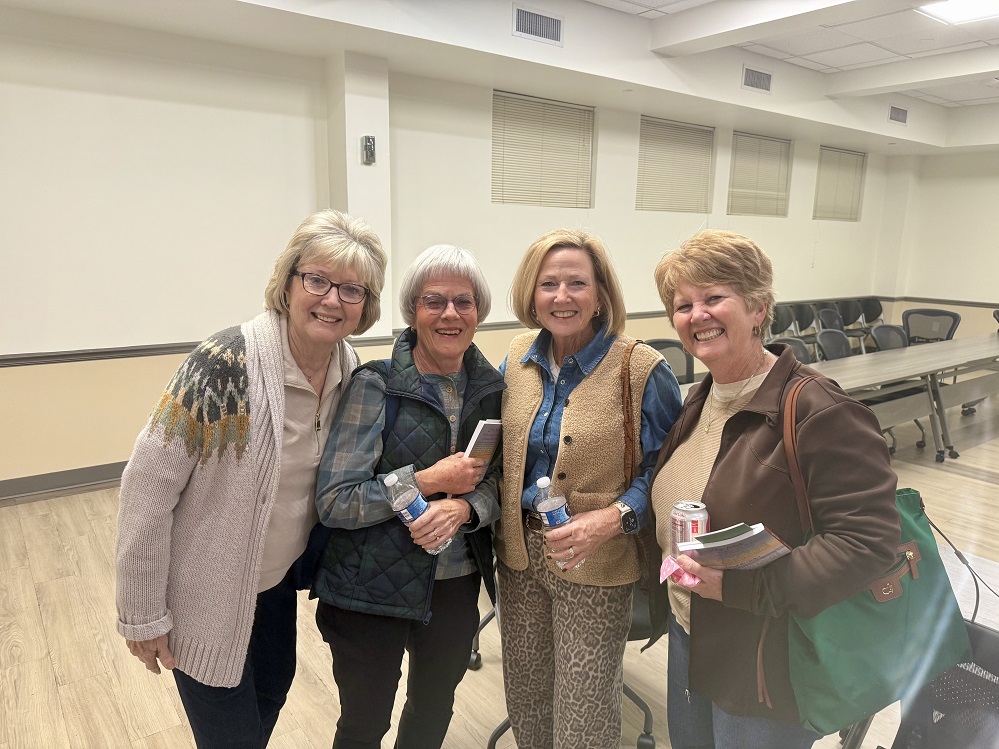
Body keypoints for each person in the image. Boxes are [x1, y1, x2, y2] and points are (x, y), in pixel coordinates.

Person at [115, 209, 388, 748]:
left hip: (276, 583)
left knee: (271, 693)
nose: (332, 299)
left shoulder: (349, 369)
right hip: (206, 592)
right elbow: (146, 488)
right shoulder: (224, 364)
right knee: (230, 731)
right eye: (317, 280)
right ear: (288, 284)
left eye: (352, 290)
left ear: (366, 306)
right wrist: (142, 613)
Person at [645, 230, 900, 749]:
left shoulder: (818, 410)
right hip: (690, 629)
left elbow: (867, 544)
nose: (697, 315)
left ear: (759, 308)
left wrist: (738, 588)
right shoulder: (701, 398)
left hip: (763, 654)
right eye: (683, 305)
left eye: (714, 298)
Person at [495, 228, 681, 749]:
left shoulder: (640, 367)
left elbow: (668, 470)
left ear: (601, 293)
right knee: (527, 698)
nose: (562, 296)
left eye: (577, 283)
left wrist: (615, 516)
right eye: (548, 283)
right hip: (519, 558)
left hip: (598, 559)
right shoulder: (516, 358)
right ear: (531, 293)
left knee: (585, 714)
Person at [312, 244, 504, 749]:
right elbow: (336, 499)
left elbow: (501, 486)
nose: (449, 314)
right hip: (370, 588)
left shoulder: (494, 390)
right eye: (433, 301)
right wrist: (428, 480)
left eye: (463, 302)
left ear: (479, 313)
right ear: (412, 312)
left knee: (432, 712)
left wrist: (466, 507)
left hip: (456, 586)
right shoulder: (375, 386)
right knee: (364, 725)